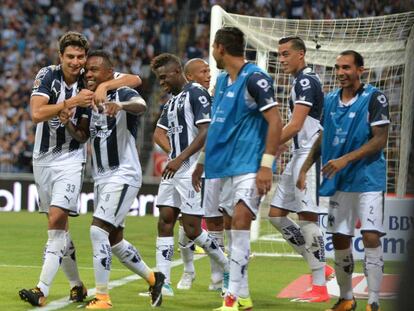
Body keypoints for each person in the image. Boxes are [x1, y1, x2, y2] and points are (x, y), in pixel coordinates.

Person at [19, 31, 141, 307]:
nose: (76, 62)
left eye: (80, 57)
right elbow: (36, 113)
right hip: (42, 159)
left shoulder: (90, 77)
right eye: (70, 57)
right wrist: (69, 104)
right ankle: (76, 285)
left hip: (71, 160)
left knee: (56, 220)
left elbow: (135, 79)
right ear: (60, 57)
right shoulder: (47, 76)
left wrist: (106, 86)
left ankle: (41, 289)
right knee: (59, 228)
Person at [58, 50, 165, 309]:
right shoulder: (87, 98)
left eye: (94, 70)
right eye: (88, 71)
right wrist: (68, 124)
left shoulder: (121, 92)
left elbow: (140, 104)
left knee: (97, 231)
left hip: (123, 173)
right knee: (114, 239)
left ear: (109, 73)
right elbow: (83, 135)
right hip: (102, 176)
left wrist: (121, 106)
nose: (89, 74)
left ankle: (103, 297)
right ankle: (154, 278)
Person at [194, 27, 283, 311]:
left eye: (212, 48)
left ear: (220, 48)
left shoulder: (255, 78)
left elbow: (276, 122)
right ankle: (243, 296)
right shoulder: (221, 82)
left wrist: (266, 166)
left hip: (249, 165)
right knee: (232, 227)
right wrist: (200, 163)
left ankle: (231, 298)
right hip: (222, 167)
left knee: (242, 221)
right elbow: (217, 127)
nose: (212, 53)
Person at [297, 50, 389, 311]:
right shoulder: (330, 99)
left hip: (368, 179)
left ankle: (373, 302)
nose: (341, 73)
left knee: (370, 236)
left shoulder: (374, 97)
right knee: (339, 238)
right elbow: (322, 138)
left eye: (346, 67)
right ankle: (346, 298)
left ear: (361, 69)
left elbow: (380, 139)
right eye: (338, 68)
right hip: (339, 181)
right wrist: (305, 168)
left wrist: (346, 159)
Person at [151, 53, 229, 297]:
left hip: (193, 168)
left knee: (193, 229)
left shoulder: (196, 92)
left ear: (177, 72)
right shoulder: (172, 101)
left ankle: (228, 268)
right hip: (175, 169)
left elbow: (207, 130)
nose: (161, 82)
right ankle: (162, 281)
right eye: (158, 78)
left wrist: (181, 158)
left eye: (164, 77)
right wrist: (173, 154)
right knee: (165, 220)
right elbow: (158, 134)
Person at [267, 36, 333, 303]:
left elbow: (295, 125)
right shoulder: (301, 81)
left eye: (285, 54)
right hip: (298, 153)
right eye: (279, 55)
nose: (281, 60)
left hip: (310, 155)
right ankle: (320, 266)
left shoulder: (306, 81)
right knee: (275, 215)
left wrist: (267, 147)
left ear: (301, 55)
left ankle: (319, 287)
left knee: (308, 218)